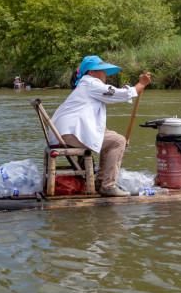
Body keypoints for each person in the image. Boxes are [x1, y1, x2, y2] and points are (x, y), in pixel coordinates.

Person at [51, 55, 152, 197]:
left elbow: (114, 93)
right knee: (118, 141)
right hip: (71, 134)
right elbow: (119, 94)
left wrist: (132, 89)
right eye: (102, 71)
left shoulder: (87, 85)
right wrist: (141, 84)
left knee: (113, 138)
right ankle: (107, 185)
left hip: (65, 133)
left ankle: (101, 182)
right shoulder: (91, 83)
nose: (105, 74)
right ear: (91, 72)